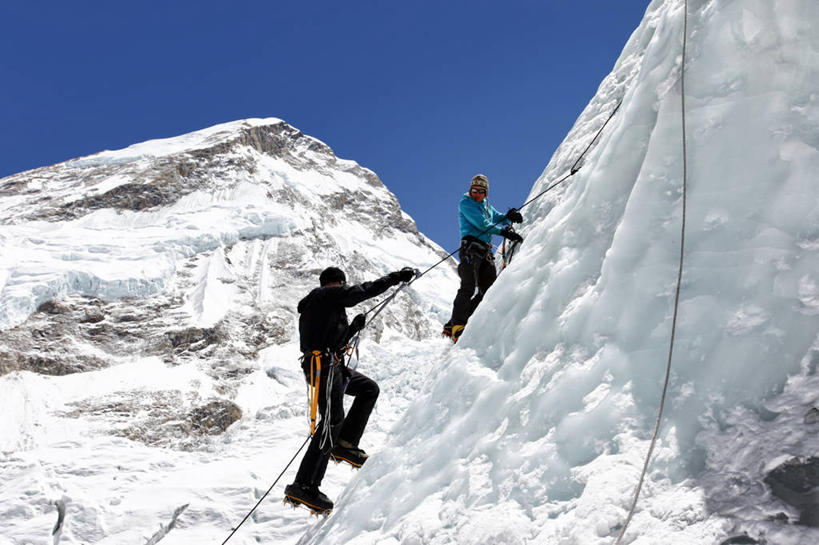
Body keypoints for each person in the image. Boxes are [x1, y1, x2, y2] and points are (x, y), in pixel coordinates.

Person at [284, 265, 416, 514]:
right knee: (330, 422)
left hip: (331, 366)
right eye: (341, 284)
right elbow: (361, 291)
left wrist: (352, 328)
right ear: (336, 283)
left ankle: (345, 443)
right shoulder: (324, 295)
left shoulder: (325, 307)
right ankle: (304, 485)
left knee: (368, 389)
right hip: (323, 367)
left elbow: (334, 341)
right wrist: (395, 277)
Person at [442, 174, 523, 342]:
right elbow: (482, 225)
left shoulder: (485, 205)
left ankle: (458, 322)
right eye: (474, 190)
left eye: (481, 191)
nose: (477, 194)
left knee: (489, 290)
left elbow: (497, 217)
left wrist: (510, 215)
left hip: (485, 253)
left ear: (486, 193)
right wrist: (503, 231)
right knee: (468, 286)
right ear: (470, 190)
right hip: (470, 249)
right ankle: (458, 324)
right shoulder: (466, 203)